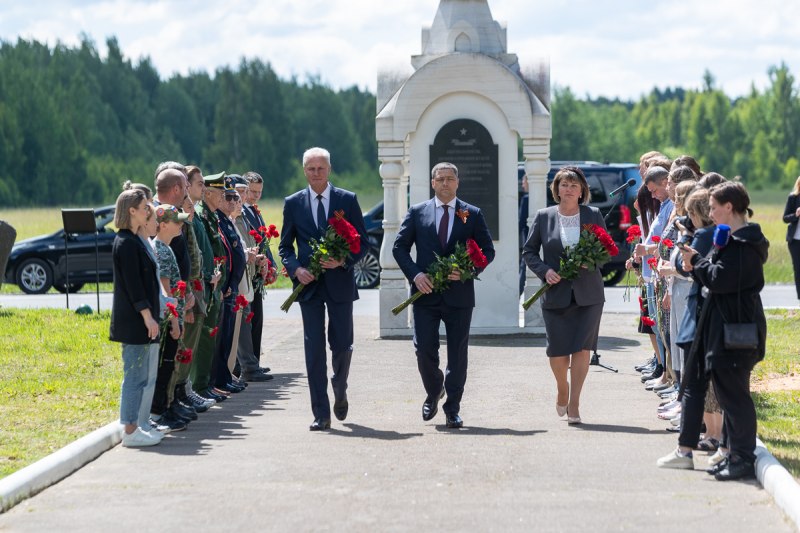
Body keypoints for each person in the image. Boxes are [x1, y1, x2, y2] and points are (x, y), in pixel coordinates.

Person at [660, 182, 768, 481]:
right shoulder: (733, 240)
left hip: (736, 334)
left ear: (729, 207)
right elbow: (717, 278)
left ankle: (743, 457)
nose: (710, 212)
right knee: (728, 395)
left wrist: (696, 262)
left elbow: (720, 280)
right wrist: (699, 263)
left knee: (735, 399)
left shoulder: (745, 244)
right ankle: (734, 454)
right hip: (723, 331)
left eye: (713, 207)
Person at [393, 162, 495, 429]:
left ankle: (452, 409)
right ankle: (433, 389)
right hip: (425, 295)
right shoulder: (417, 213)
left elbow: (487, 251)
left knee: (458, 354)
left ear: (458, 183)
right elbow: (400, 248)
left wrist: (468, 270)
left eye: (450, 179)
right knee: (424, 349)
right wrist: (416, 275)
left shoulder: (471, 214)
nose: (445, 183)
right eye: (440, 179)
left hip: (459, 297)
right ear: (432, 183)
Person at [279, 147, 369, 431]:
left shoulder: (347, 200)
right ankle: (321, 413)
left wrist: (343, 260)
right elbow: (284, 247)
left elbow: (362, 242)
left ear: (329, 169)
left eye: (320, 168)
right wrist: (296, 269)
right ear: (304, 170)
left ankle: (339, 388)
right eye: (310, 169)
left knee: (342, 345)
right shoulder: (293, 203)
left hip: (340, 284)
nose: (316, 174)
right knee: (313, 350)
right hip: (309, 288)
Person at [522, 166, 606, 425]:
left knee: (582, 348)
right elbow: (529, 252)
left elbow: (606, 250)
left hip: (588, 295)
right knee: (557, 352)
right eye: (563, 185)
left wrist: (590, 262)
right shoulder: (544, 216)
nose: (568, 189)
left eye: (573, 185)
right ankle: (562, 388)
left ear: (582, 191)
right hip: (556, 293)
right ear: (556, 189)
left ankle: (575, 402)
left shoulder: (593, 215)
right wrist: (545, 271)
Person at [109, 189, 163, 447]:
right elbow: (133, 286)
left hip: (142, 319)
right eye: (143, 207)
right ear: (131, 210)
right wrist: (148, 317)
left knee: (141, 375)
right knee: (134, 376)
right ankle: (130, 431)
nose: (147, 210)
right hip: (134, 322)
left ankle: (136, 426)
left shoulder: (133, 240)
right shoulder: (125, 243)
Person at [242, 171, 276, 373]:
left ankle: (254, 360)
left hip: (260, 269)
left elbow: (263, 239)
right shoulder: (241, 211)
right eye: (252, 191)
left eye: (259, 192)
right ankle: (249, 364)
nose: (255, 196)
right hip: (251, 268)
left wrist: (271, 263)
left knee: (257, 319)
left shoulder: (255, 211)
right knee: (250, 318)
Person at [783, 176, 800, 299]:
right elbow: (785, 218)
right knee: (798, 269)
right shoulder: (793, 198)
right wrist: (796, 214)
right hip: (795, 241)